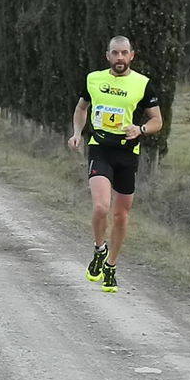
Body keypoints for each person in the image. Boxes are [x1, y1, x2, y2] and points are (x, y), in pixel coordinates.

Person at [68, 35, 162, 293]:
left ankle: (110, 265)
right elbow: (81, 108)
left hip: (127, 154)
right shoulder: (93, 79)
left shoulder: (143, 84)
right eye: (115, 53)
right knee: (101, 206)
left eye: (124, 53)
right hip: (100, 150)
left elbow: (157, 121)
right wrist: (77, 133)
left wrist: (140, 128)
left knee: (121, 215)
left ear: (132, 55)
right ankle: (99, 248)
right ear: (107, 56)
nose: (119, 58)